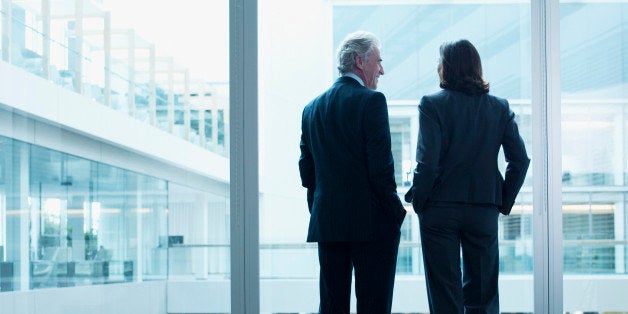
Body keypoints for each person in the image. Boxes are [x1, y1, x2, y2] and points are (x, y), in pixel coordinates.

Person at [405, 39, 530, 313]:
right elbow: (519, 160)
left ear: (446, 68)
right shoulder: (499, 107)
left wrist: (419, 203)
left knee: (444, 295)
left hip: (439, 210)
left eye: (439, 62)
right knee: (482, 295)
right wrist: (501, 202)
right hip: (483, 210)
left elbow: (427, 163)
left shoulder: (432, 104)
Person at [299, 30, 407, 314]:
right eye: (378, 61)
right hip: (371, 222)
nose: (382, 70)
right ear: (360, 61)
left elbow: (307, 173)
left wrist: (322, 208)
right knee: (373, 304)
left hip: (328, 222)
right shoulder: (372, 101)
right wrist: (396, 211)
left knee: (332, 305)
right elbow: (381, 168)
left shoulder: (311, 109)